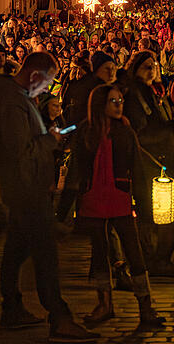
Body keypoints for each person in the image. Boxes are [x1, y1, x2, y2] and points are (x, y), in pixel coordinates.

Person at [0, 51, 98, 342]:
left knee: (16, 250)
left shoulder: (19, 99)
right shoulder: (13, 103)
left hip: (24, 187)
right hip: (26, 189)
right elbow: (20, 151)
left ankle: (12, 308)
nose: (46, 89)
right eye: (46, 82)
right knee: (45, 254)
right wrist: (50, 140)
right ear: (34, 76)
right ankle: (59, 317)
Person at [71, 84, 164, 330]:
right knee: (99, 253)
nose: (119, 105)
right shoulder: (86, 131)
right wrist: (67, 206)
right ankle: (104, 303)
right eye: (113, 101)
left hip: (119, 197)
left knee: (134, 252)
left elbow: (138, 168)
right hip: (93, 198)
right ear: (100, 103)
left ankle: (145, 306)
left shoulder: (125, 131)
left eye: (120, 100)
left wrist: (144, 206)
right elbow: (77, 168)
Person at [123, 51, 174, 278]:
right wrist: (171, 127)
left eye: (154, 66)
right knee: (152, 212)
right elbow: (141, 133)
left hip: (165, 159)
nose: (152, 70)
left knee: (166, 210)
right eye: (146, 66)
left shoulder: (154, 93)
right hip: (150, 162)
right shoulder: (136, 96)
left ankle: (157, 258)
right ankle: (153, 259)